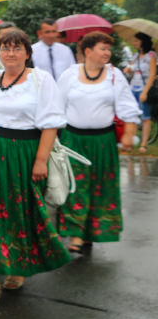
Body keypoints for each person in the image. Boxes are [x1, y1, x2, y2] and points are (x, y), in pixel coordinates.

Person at [0, 29, 71, 302]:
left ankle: (17, 265)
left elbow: (51, 123)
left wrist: (40, 161)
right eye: (5, 48)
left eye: (16, 48)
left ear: (27, 52)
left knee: (18, 213)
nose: (10, 54)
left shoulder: (41, 80)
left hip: (24, 154)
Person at [57, 32, 141, 253]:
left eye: (108, 49)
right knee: (75, 187)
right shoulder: (69, 75)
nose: (107, 53)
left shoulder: (115, 75)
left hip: (103, 141)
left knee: (100, 188)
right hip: (72, 140)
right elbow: (56, 106)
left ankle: (90, 233)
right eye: (102, 48)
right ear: (87, 51)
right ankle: (75, 235)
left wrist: (128, 134)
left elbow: (127, 108)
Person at [124, 32, 156, 153]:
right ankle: (131, 142)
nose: (134, 43)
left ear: (143, 42)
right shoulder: (136, 56)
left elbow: (152, 75)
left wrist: (145, 92)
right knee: (132, 116)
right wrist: (128, 70)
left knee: (145, 117)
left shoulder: (151, 56)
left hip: (144, 89)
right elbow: (131, 69)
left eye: (136, 41)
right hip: (133, 88)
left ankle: (143, 144)